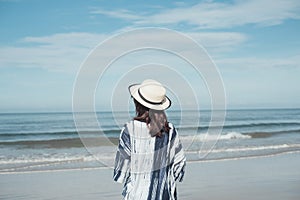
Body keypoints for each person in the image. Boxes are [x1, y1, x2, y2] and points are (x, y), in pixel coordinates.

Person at [113, 79, 186, 200]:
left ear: (138, 103)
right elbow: (180, 167)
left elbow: (121, 171)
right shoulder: (171, 130)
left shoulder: (129, 129)